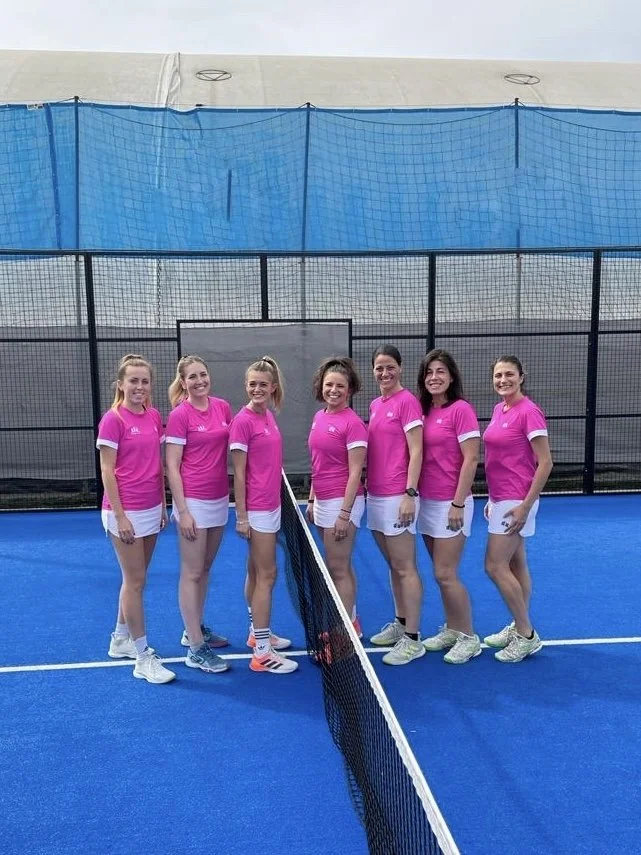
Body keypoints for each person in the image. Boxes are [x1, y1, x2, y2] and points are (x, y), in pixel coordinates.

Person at [99, 354, 175, 684]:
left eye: (144, 381)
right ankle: (142, 657)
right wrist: (121, 517)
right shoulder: (112, 420)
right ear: (121, 384)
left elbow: (157, 465)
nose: (139, 387)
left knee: (136, 578)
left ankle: (120, 639)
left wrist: (161, 505)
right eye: (133, 380)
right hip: (123, 512)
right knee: (136, 581)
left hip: (150, 509)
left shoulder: (154, 416)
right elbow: (107, 471)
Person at [482, 355, 553, 662]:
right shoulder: (501, 409)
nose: (503, 380)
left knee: (494, 566)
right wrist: (492, 498)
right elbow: (503, 459)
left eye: (509, 375)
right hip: (502, 499)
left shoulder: (529, 412)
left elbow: (546, 462)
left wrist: (525, 506)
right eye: (498, 376)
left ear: (522, 377)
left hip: (517, 501)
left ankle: (526, 635)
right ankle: (518, 624)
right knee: (516, 564)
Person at [229, 356, 298, 674]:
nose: (257, 389)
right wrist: (242, 516)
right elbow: (239, 473)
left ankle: (256, 633)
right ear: (246, 386)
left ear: (273, 388)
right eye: (252, 384)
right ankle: (262, 653)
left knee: (256, 572)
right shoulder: (242, 422)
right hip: (256, 510)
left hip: (270, 506)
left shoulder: (268, 416)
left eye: (263, 384)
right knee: (267, 575)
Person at [165, 355, 231, 675]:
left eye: (203, 375)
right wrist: (183, 510)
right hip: (193, 502)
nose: (199, 381)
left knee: (205, 568)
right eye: (192, 377)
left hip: (220, 500)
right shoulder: (180, 416)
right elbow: (172, 466)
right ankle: (194, 648)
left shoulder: (222, 407)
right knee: (191, 572)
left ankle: (194, 627)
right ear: (183, 382)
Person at [416, 350, 482, 664]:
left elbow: (471, 458)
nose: (434, 377)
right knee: (439, 573)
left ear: (451, 376)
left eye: (440, 371)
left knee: (446, 573)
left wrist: (457, 502)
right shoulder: (424, 411)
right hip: (426, 503)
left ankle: (469, 636)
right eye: (429, 372)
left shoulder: (461, 410)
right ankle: (453, 628)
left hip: (452, 504)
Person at [367, 344, 425, 665]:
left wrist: (409, 492)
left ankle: (413, 638)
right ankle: (401, 623)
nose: (385, 373)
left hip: (397, 495)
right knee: (394, 566)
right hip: (375, 495)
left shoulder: (407, 403)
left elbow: (416, 450)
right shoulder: (376, 404)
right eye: (379, 368)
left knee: (405, 567)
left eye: (390, 367)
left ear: (400, 368)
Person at [306, 357, 367, 634]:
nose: (334, 390)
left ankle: (341, 634)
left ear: (349, 389)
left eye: (340, 386)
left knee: (337, 569)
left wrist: (344, 513)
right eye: (329, 384)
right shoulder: (320, 417)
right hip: (322, 502)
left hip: (342, 503)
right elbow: (317, 462)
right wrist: (311, 498)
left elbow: (355, 472)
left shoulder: (353, 424)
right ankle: (352, 623)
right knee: (340, 565)